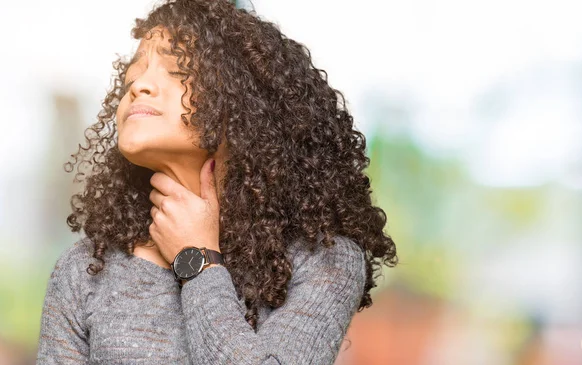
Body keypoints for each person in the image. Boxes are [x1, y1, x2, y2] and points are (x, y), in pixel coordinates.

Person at [36, 0, 399, 364]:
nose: (139, 85)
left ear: (242, 103)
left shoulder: (322, 260)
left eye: (177, 69)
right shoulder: (85, 269)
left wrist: (197, 261)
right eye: (133, 75)